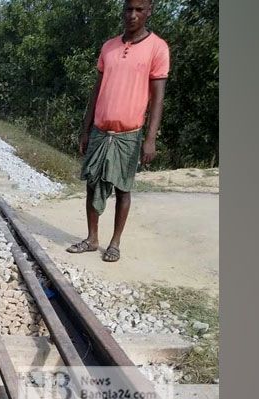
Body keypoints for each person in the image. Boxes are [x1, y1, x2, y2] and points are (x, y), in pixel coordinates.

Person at [67, 0, 169, 262]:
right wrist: (86, 128)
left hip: (129, 134)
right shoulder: (109, 46)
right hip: (101, 130)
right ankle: (91, 239)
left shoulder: (157, 48)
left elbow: (157, 98)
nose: (132, 15)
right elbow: (97, 90)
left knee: (123, 188)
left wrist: (150, 139)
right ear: (122, 11)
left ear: (149, 11)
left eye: (139, 9)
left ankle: (114, 243)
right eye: (128, 9)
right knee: (92, 183)